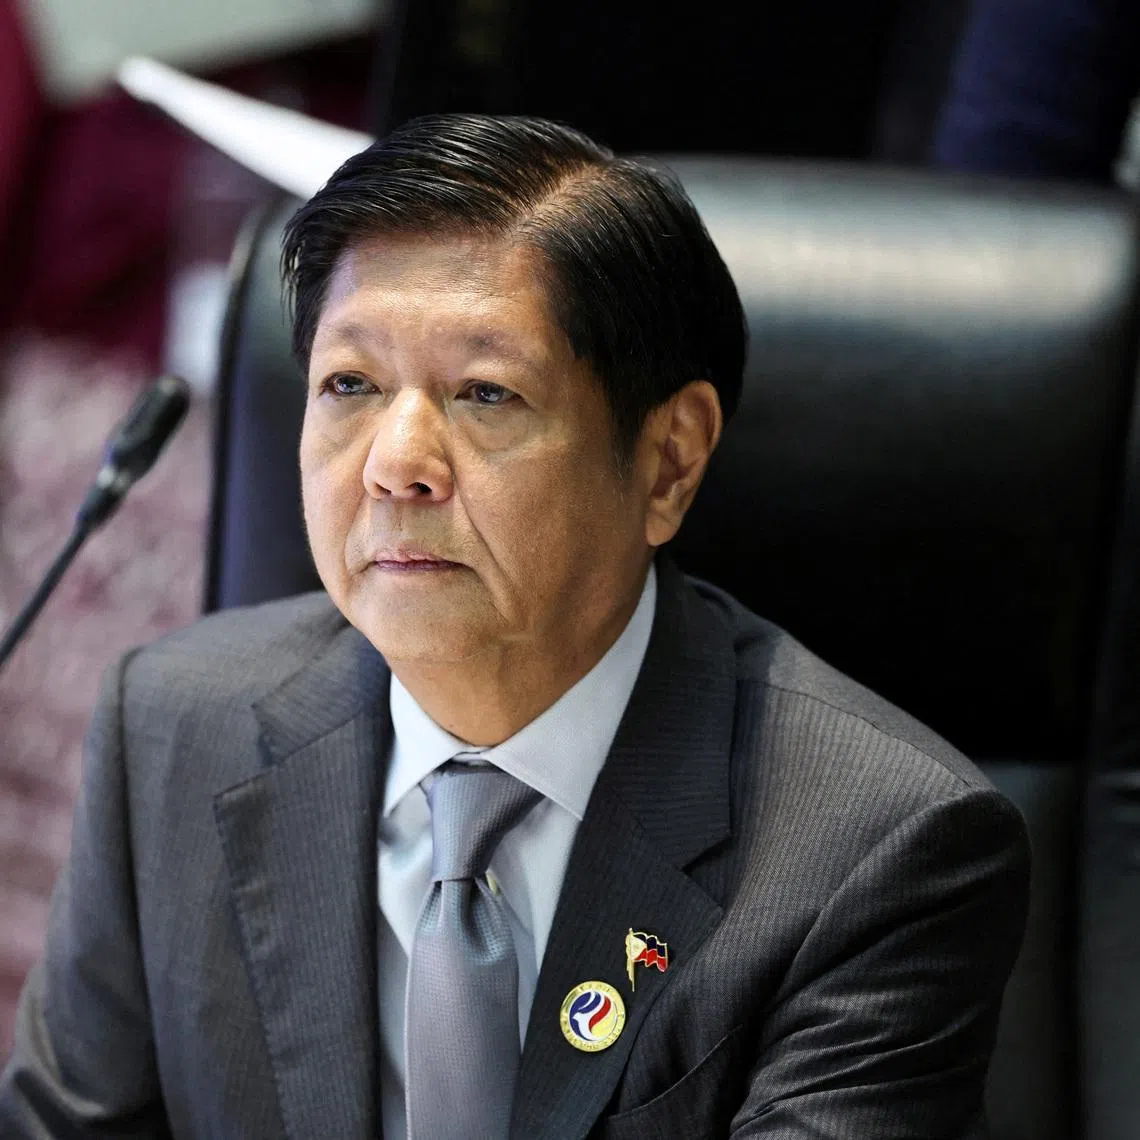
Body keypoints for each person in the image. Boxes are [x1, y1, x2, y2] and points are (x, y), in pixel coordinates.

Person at [0, 114, 1030, 1139]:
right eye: (350, 384)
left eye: (486, 394)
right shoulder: (173, 730)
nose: (395, 464)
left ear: (669, 461)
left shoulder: (875, 851)